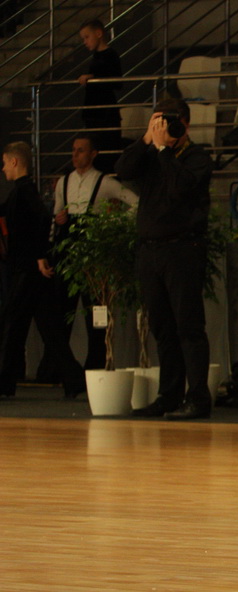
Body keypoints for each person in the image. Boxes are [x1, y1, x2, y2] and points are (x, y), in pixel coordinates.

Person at [115, 99, 213, 420]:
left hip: (182, 249)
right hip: (150, 251)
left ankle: (197, 398)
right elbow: (123, 170)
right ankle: (169, 396)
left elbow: (181, 188)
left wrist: (163, 150)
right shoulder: (150, 152)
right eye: (158, 121)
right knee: (162, 327)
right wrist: (146, 140)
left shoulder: (197, 157)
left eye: (169, 121)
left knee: (189, 327)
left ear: (185, 124)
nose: (163, 127)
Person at [35, 134, 138, 379]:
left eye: (80, 150)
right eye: (73, 150)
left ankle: (96, 364)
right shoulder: (63, 182)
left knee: (95, 311)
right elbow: (56, 217)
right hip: (68, 252)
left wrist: (111, 222)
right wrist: (58, 222)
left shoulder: (105, 182)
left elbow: (136, 203)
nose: (75, 154)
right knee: (62, 311)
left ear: (93, 154)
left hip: (93, 253)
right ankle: (57, 368)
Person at [0, 142, 85, 399]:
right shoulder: (23, 191)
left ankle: (4, 382)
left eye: (4, 163)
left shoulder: (24, 191)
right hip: (30, 269)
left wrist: (39, 256)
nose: (3, 168)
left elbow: (40, 219)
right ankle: (73, 379)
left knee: (12, 325)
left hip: (27, 269)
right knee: (49, 328)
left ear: (14, 162)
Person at [78, 19, 122, 169]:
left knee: (106, 152)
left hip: (104, 113)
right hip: (95, 112)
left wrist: (93, 77)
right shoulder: (97, 56)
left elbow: (117, 81)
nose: (85, 42)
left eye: (87, 37)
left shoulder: (110, 55)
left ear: (98, 33)